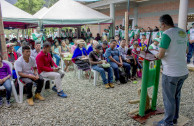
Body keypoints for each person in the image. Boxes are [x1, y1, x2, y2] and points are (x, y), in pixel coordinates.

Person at [153, 14, 189, 126]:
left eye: (160, 26)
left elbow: (161, 54)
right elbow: (187, 50)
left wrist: (156, 54)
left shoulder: (166, 34)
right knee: (176, 96)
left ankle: (167, 122)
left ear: (163, 24)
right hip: (183, 71)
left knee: (169, 99)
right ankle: (174, 118)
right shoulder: (183, 32)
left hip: (171, 72)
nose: (160, 27)